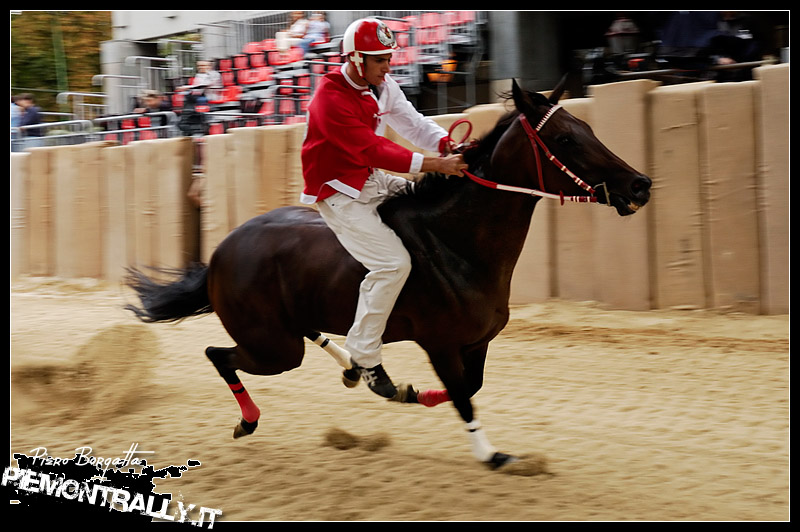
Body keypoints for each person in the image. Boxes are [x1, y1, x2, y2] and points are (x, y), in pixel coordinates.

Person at [300, 18, 468, 399]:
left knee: (431, 209)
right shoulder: (328, 98)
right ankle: (363, 355)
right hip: (338, 192)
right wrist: (434, 164)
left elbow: (411, 121)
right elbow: (372, 148)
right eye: (380, 60)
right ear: (357, 61)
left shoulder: (382, 85)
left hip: (369, 178)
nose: (389, 66)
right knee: (394, 263)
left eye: (389, 58)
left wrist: (445, 146)